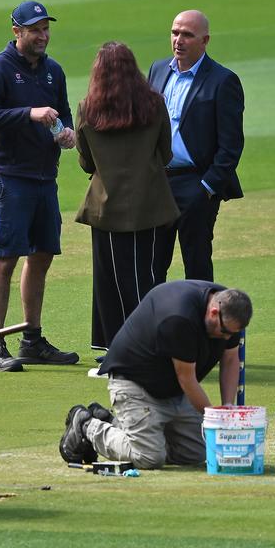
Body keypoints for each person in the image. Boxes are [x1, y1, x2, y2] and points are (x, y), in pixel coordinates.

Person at [0, 0, 80, 372]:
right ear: (17, 32)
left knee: (42, 255)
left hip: (45, 178)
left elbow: (63, 111)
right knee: (6, 258)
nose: (43, 36)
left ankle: (31, 340)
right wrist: (29, 114)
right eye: (35, 30)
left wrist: (66, 132)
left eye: (46, 29)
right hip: (10, 178)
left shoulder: (53, 71)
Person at [59, 280, 252, 469]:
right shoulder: (180, 318)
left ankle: (114, 424)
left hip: (172, 388)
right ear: (213, 312)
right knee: (149, 458)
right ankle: (86, 425)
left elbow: (230, 359)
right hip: (135, 382)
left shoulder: (230, 310)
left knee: (195, 453)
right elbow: (187, 379)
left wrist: (228, 406)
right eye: (224, 332)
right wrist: (216, 420)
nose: (227, 337)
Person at [74, 41, 179, 359]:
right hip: (148, 205)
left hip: (104, 207)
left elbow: (86, 163)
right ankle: (148, 345)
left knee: (107, 280)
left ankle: (114, 347)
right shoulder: (154, 104)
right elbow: (166, 154)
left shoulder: (87, 109)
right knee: (144, 277)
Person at [147, 10, 245, 282]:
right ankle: (154, 312)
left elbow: (231, 144)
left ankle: (202, 312)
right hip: (159, 182)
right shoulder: (157, 70)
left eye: (187, 35)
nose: (178, 40)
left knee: (197, 265)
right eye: (174, 32)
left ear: (205, 40)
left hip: (196, 183)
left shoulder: (223, 80)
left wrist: (207, 188)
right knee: (152, 265)